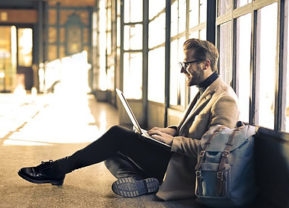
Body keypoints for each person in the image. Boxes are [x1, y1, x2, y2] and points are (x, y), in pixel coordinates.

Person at [18, 39, 239, 201]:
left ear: (205, 64)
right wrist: (170, 131)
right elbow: (193, 129)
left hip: (183, 170)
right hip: (173, 159)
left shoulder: (224, 99)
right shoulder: (206, 90)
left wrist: (172, 142)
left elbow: (213, 152)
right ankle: (141, 182)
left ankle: (57, 169)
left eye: (187, 64)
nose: (183, 70)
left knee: (117, 135)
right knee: (109, 153)